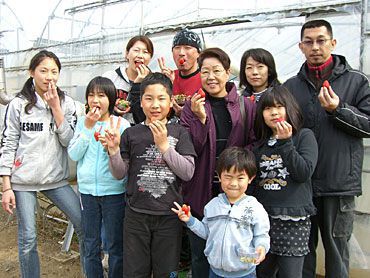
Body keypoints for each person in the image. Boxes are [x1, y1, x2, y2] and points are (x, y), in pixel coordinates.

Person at [284, 19, 370, 278]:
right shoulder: (291, 86)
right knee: (302, 250)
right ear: (301, 47)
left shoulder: (356, 81)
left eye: (321, 40)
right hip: (302, 183)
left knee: (335, 249)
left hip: (338, 182)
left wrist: (338, 109)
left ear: (333, 43)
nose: (315, 47)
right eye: (309, 42)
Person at [0, 50, 84, 278]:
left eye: (54, 72)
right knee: (28, 237)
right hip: (22, 181)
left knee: (83, 224)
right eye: (44, 71)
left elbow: (68, 141)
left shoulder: (67, 103)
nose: (49, 77)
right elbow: (8, 144)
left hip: (55, 179)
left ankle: (91, 272)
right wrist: (6, 186)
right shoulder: (17, 105)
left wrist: (56, 108)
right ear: (32, 72)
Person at [105, 72, 197, 277]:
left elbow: (188, 172)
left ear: (171, 101)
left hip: (168, 215)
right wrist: (113, 152)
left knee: (166, 271)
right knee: (135, 271)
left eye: (161, 98)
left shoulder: (179, 132)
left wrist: (165, 147)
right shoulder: (131, 133)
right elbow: (119, 174)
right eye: (149, 98)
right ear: (141, 102)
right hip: (136, 214)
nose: (155, 105)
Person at [180, 47, 256, 277]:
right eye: (205, 72)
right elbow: (189, 148)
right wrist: (201, 119)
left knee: (233, 250)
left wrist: (239, 171)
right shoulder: (191, 106)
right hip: (201, 190)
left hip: (234, 192)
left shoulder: (246, 106)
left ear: (227, 73)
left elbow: (253, 144)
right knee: (200, 254)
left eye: (216, 71)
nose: (210, 77)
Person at [172, 147, 270, 278]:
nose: (233, 183)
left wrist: (261, 248)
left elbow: (262, 235)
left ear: (250, 178)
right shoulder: (212, 206)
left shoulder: (255, 208)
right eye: (228, 177)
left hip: (245, 273)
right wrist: (190, 220)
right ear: (219, 177)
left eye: (240, 178)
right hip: (215, 271)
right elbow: (206, 232)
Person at [251, 86, 318, 278]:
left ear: (290, 108)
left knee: (291, 274)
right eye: (268, 108)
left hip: (293, 222)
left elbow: (303, 173)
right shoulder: (260, 146)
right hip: (264, 222)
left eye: (279, 106)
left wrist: (286, 142)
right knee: (262, 272)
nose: (274, 112)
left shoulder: (304, 136)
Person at [68, 76, 130, 278]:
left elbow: (126, 163)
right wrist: (87, 127)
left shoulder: (121, 125)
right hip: (87, 193)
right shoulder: (83, 123)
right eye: (92, 95)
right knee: (90, 243)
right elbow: (74, 154)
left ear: (111, 99)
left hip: (114, 192)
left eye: (101, 95)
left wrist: (114, 146)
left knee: (114, 244)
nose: (96, 100)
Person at [103, 35, 154, 124]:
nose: (140, 55)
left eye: (145, 52)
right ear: (127, 54)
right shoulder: (110, 77)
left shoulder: (154, 83)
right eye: (136, 50)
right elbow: (95, 104)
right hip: (111, 128)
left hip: (138, 133)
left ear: (150, 58)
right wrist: (111, 108)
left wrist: (138, 85)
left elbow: (145, 116)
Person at [158, 28, 202, 117]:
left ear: (199, 53)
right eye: (177, 48)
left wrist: (186, 114)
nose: (181, 53)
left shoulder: (205, 79)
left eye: (187, 48)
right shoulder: (169, 76)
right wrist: (164, 84)